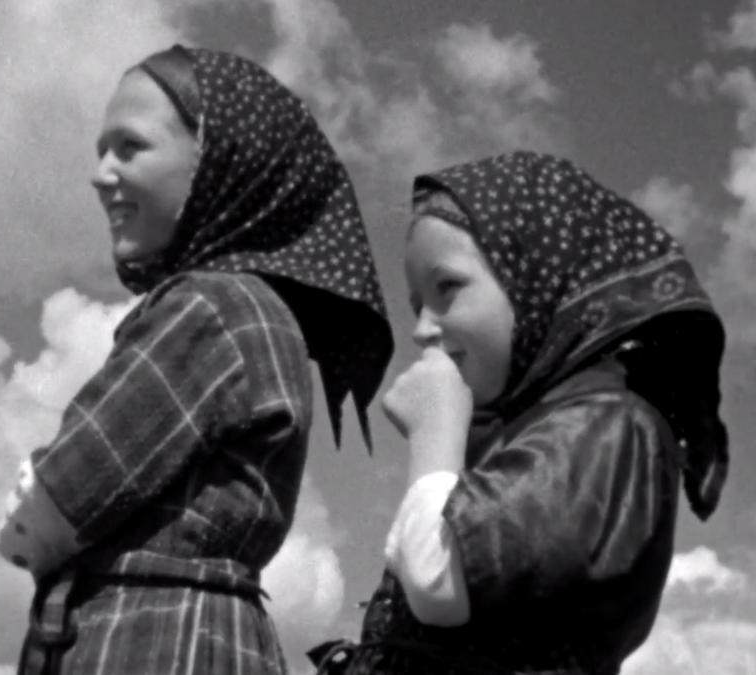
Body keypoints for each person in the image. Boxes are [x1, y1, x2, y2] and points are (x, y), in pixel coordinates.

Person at [0, 45, 393, 674]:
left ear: (217, 163)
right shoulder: (259, 311)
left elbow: (65, 490)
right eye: (102, 149)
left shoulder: (208, 305)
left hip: (151, 642)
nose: (102, 174)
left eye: (130, 147)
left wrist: (22, 520)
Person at [310, 150, 729, 674]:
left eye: (448, 289)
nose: (422, 329)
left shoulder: (608, 427)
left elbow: (440, 577)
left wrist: (435, 431)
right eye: (418, 305)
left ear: (540, 280)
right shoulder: (521, 440)